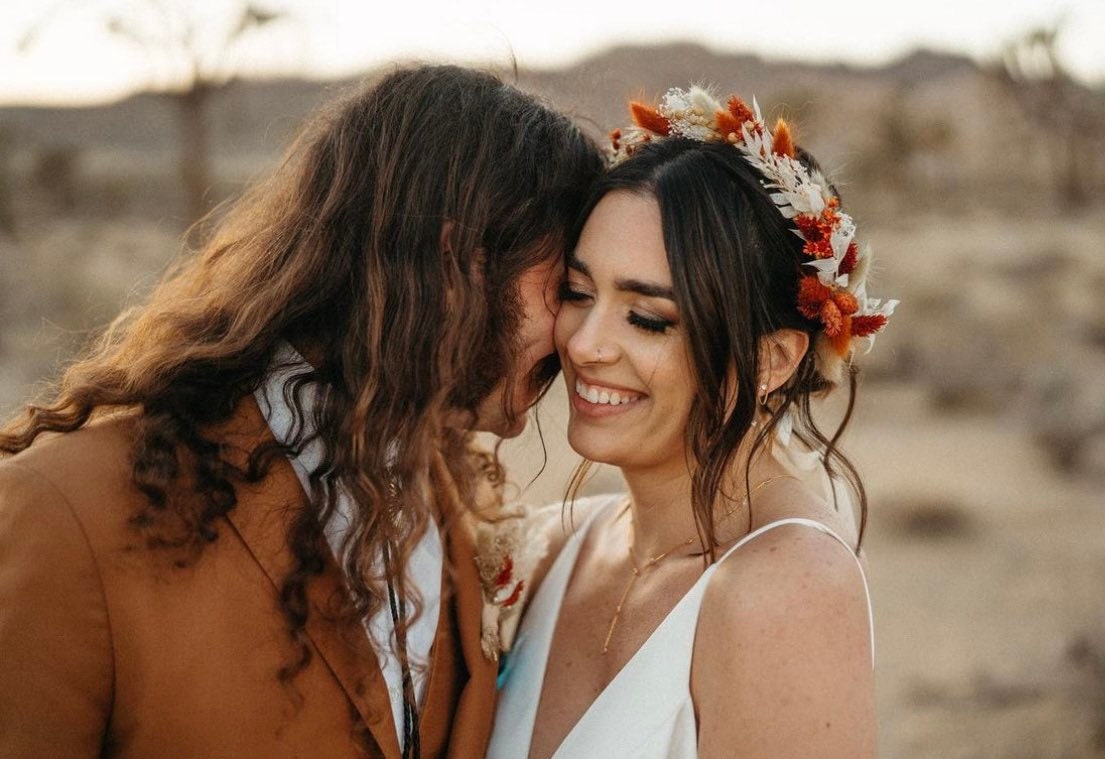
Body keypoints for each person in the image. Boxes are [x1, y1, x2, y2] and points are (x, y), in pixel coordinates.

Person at [0, 64, 602, 758]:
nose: (580, 338)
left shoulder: (457, 515)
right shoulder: (66, 510)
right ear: (456, 265)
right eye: (566, 288)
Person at [489, 86, 897, 758]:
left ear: (771, 359)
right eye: (577, 292)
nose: (586, 343)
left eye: (648, 318)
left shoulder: (786, 587)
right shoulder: (560, 550)